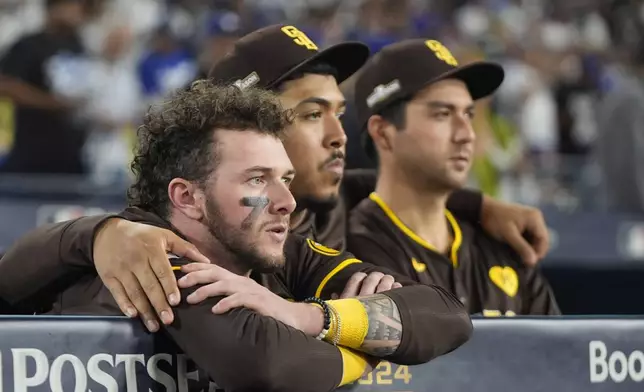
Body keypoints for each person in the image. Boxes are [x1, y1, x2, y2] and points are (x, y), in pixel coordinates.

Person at [0, 24, 549, 331]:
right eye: (310, 114)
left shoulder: (335, 210)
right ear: (245, 127)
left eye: (338, 111)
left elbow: (383, 188)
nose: (339, 134)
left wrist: (476, 206)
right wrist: (97, 234)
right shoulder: (182, 239)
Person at [2, 82, 472, 391]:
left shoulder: (279, 251)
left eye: (285, 179)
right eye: (256, 180)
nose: (286, 201)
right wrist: (366, 351)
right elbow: (269, 367)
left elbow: (447, 315)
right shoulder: (145, 257)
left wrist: (308, 316)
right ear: (187, 198)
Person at [348, 39, 560, 316]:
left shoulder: (503, 246)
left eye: (468, 114)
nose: (466, 134)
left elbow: (560, 355)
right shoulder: (346, 250)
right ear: (384, 133)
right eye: (442, 114)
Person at [0, 0, 88, 174]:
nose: (77, 11)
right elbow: (5, 85)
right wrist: (51, 103)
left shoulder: (77, 45)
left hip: (70, 152)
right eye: (71, 5)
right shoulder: (28, 45)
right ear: (53, 8)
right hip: (33, 150)